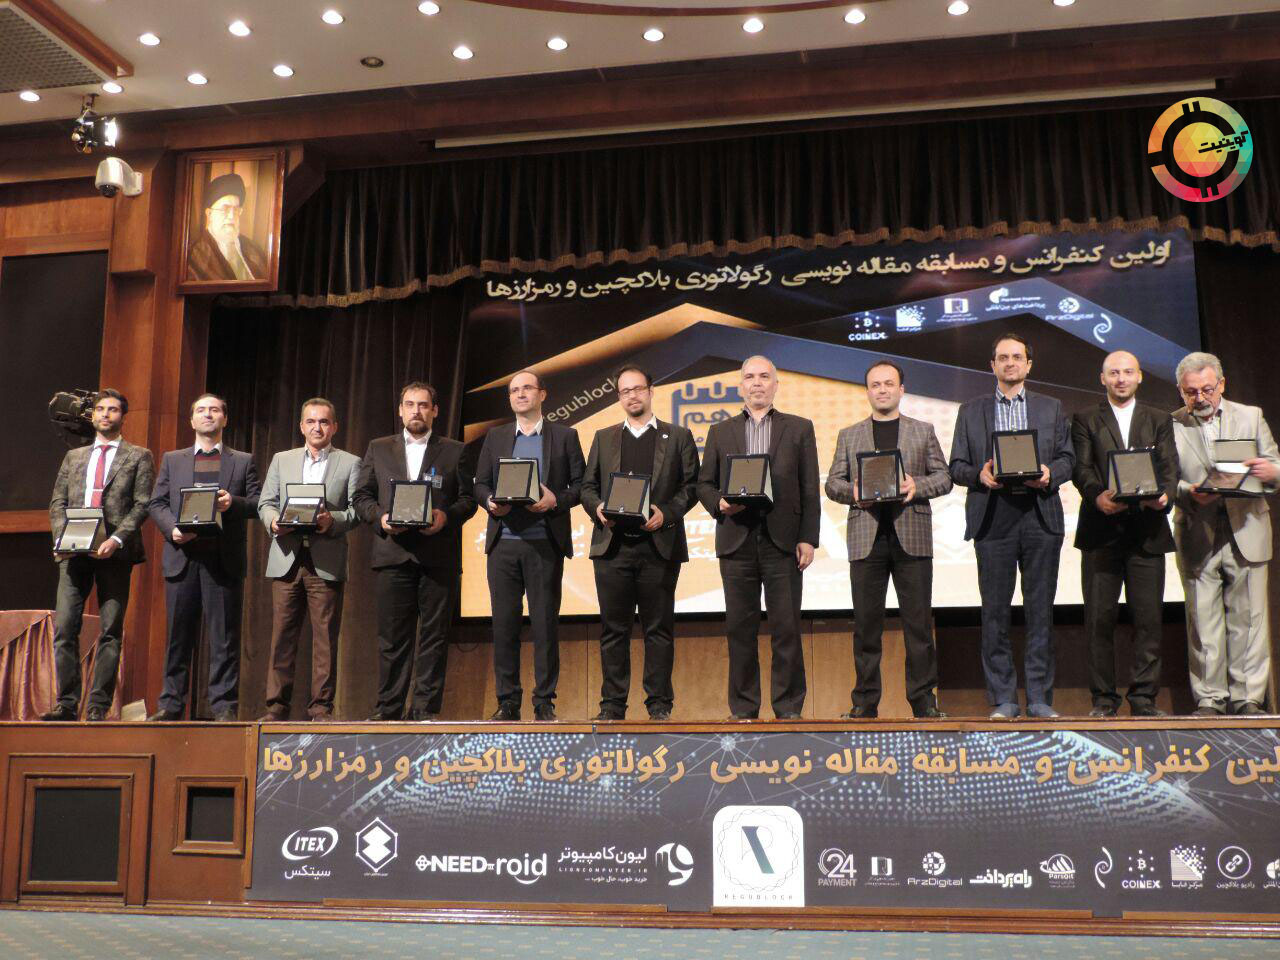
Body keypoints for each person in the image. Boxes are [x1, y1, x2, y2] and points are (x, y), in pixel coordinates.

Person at [949, 333, 1073, 719]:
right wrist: (979, 475)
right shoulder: (971, 410)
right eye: (1002, 357)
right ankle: (1004, 698)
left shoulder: (1051, 407)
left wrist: (1050, 473)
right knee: (994, 613)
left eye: (1017, 357)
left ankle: (1039, 699)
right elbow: (956, 466)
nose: (1010, 363)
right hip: (993, 517)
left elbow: (1068, 458)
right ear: (992, 365)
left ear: (1028, 365)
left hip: (1039, 515)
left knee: (1040, 611)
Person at [696, 355, 820, 720]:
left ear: (776, 384)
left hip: (783, 542)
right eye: (750, 377)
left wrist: (808, 537)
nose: (757, 383)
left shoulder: (799, 428)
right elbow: (703, 483)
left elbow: (809, 487)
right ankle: (744, 709)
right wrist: (719, 502)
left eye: (764, 376)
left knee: (786, 629)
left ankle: (789, 709)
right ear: (740, 386)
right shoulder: (720, 431)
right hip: (736, 541)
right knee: (740, 631)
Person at [825, 361, 951, 719]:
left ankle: (924, 702)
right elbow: (832, 483)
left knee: (918, 625)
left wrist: (916, 485)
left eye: (889, 384)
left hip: (912, 537)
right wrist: (853, 493)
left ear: (901, 389)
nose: (882, 390)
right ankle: (865, 702)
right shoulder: (849, 435)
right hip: (867, 538)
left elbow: (944, 477)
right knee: (866, 627)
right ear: (867, 391)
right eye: (875, 384)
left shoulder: (922, 431)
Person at [579, 364, 700, 721]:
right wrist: (597, 508)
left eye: (638, 389)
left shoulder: (677, 436)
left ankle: (659, 705)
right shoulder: (604, 437)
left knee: (658, 630)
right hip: (612, 548)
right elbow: (587, 487)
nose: (632, 395)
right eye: (625, 391)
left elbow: (692, 486)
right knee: (612, 631)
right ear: (619, 397)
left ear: (650, 391)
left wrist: (668, 513)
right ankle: (612, 705)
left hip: (658, 547)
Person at [352, 382, 477, 721]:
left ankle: (424, 710)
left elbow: (468, 501)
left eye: (423, 405)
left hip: (438, 558)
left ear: (435, 411)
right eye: (409, 404)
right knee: (392, 639)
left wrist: (445, 517)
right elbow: (361, 496)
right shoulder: (379, 448)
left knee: (434, 638)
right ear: (400, 410)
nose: (416, 411)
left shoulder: (455, 450)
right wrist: (382, 518)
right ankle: (388, 710)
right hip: (392, 555)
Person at [1171, 351, 1280, 716]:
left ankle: (1248, 698)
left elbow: (1275, 465)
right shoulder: (1172, 424)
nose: (1200, 398)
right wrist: (1189, 492)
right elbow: (1167, 480)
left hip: (1247, 526)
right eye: (1191, 392)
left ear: (1221, 384)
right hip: (1198, 528)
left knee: (1249, 619)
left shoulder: (1250, 416)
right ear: (1180, 390)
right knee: (1203, 621)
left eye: (1207, 389)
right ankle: (1209, 700)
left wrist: (1270, 471)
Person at [1071, 351, 1179, 718]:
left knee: (1148, 620)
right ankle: (1103, 699)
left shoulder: (1159, 419)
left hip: (1148, 531)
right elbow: (1081, 467)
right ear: (1102, 378)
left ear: (1139, 376)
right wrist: (1097, 496)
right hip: (1101, 531)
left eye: (1128, 372)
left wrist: (1165, 496)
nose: (1121, 378)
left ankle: (1144, 698)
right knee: (1099, 620)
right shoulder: (1085, 418)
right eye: (1114, 373)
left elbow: (1169, 466)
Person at [474, 371, 585, 721]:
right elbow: (479, 484)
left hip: (544, 545)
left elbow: (581, 485)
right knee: (504, 626)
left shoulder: (565, 436)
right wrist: (489, 502)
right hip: (503, 545)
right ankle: (507, 701)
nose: (520, 394)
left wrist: (556, 500)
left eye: (527, 388)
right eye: (514, 390)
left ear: (542, 394)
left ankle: (544, 702)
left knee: (545, 626)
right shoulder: (495, 437)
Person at [43, 389, 155, 721]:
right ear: (92, 416)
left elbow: (143, 504)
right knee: (65, 627)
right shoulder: (74, 457)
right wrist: (61, 537)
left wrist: (117, 539)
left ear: (123, 416)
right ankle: (66, 704)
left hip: (114, 553)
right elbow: (57, 502)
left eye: (113, 409)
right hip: (73, 551)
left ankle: (98, 706)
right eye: (100, 409)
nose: (105, 414)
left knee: (110, 629)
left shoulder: (138, 456)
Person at [147, 393, 260, 721]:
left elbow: (258, 503)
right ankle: (171, 705)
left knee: (224, 639)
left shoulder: (243, 460)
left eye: (214, 410)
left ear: (225, 419)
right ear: (192, 420)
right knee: (177, 637)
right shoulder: (173, 459)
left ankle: (224, 707)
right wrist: (172, 530)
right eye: (201, 410)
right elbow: (157, 503)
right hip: (182, 556)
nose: (208, 414)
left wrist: (233, 503)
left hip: (223, 559)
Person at [257, 398, 363, 721]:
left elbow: (357, 510)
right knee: (282, 637)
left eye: (324, 422)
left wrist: (333, 520)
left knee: (325, 639)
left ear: (335, 427)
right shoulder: (282, 459)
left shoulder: (351, 463)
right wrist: (274, 522)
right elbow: (266, 503)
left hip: (325, 560)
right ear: (301, 426)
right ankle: (276, 708)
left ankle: (321, 709)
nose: (318, 427)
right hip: (287, 557)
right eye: (311, 422)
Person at [186, 173, 269, 282]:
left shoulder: (255, 248)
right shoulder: (192, 257)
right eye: (225, 209)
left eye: (236, 209)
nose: (231, 216)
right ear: (209, 214)